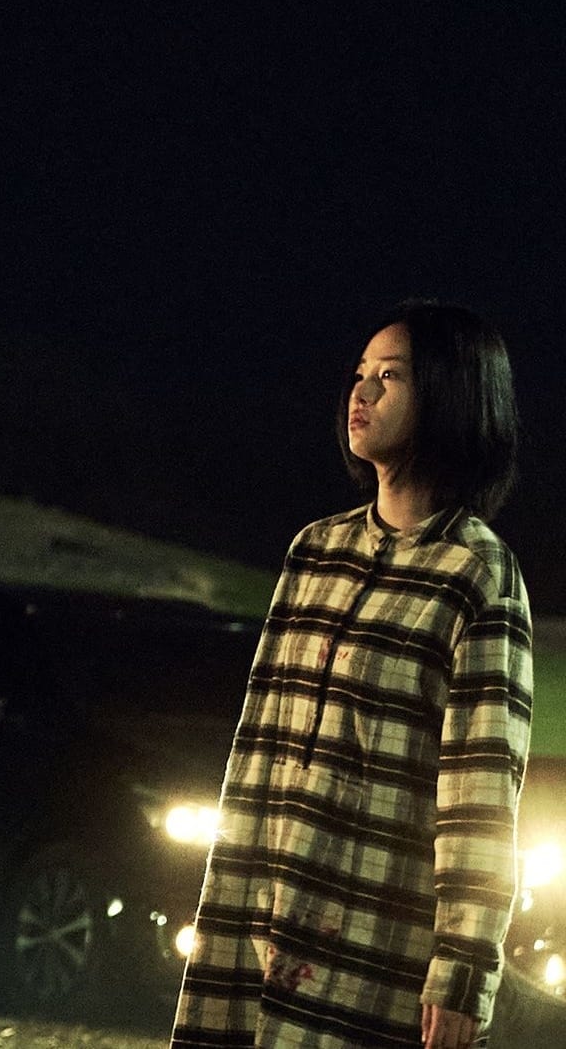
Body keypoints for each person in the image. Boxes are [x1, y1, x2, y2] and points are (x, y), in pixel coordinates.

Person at [170, 301, 529, 1049]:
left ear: (452, 396)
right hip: (259, 915)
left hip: (373, 945)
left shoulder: (478, 573)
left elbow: (482, 793)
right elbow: (257, 746)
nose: (360, 394)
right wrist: (227, 904)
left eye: (390, 377)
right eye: (360, 374)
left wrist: (464, 968)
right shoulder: (315, 550)